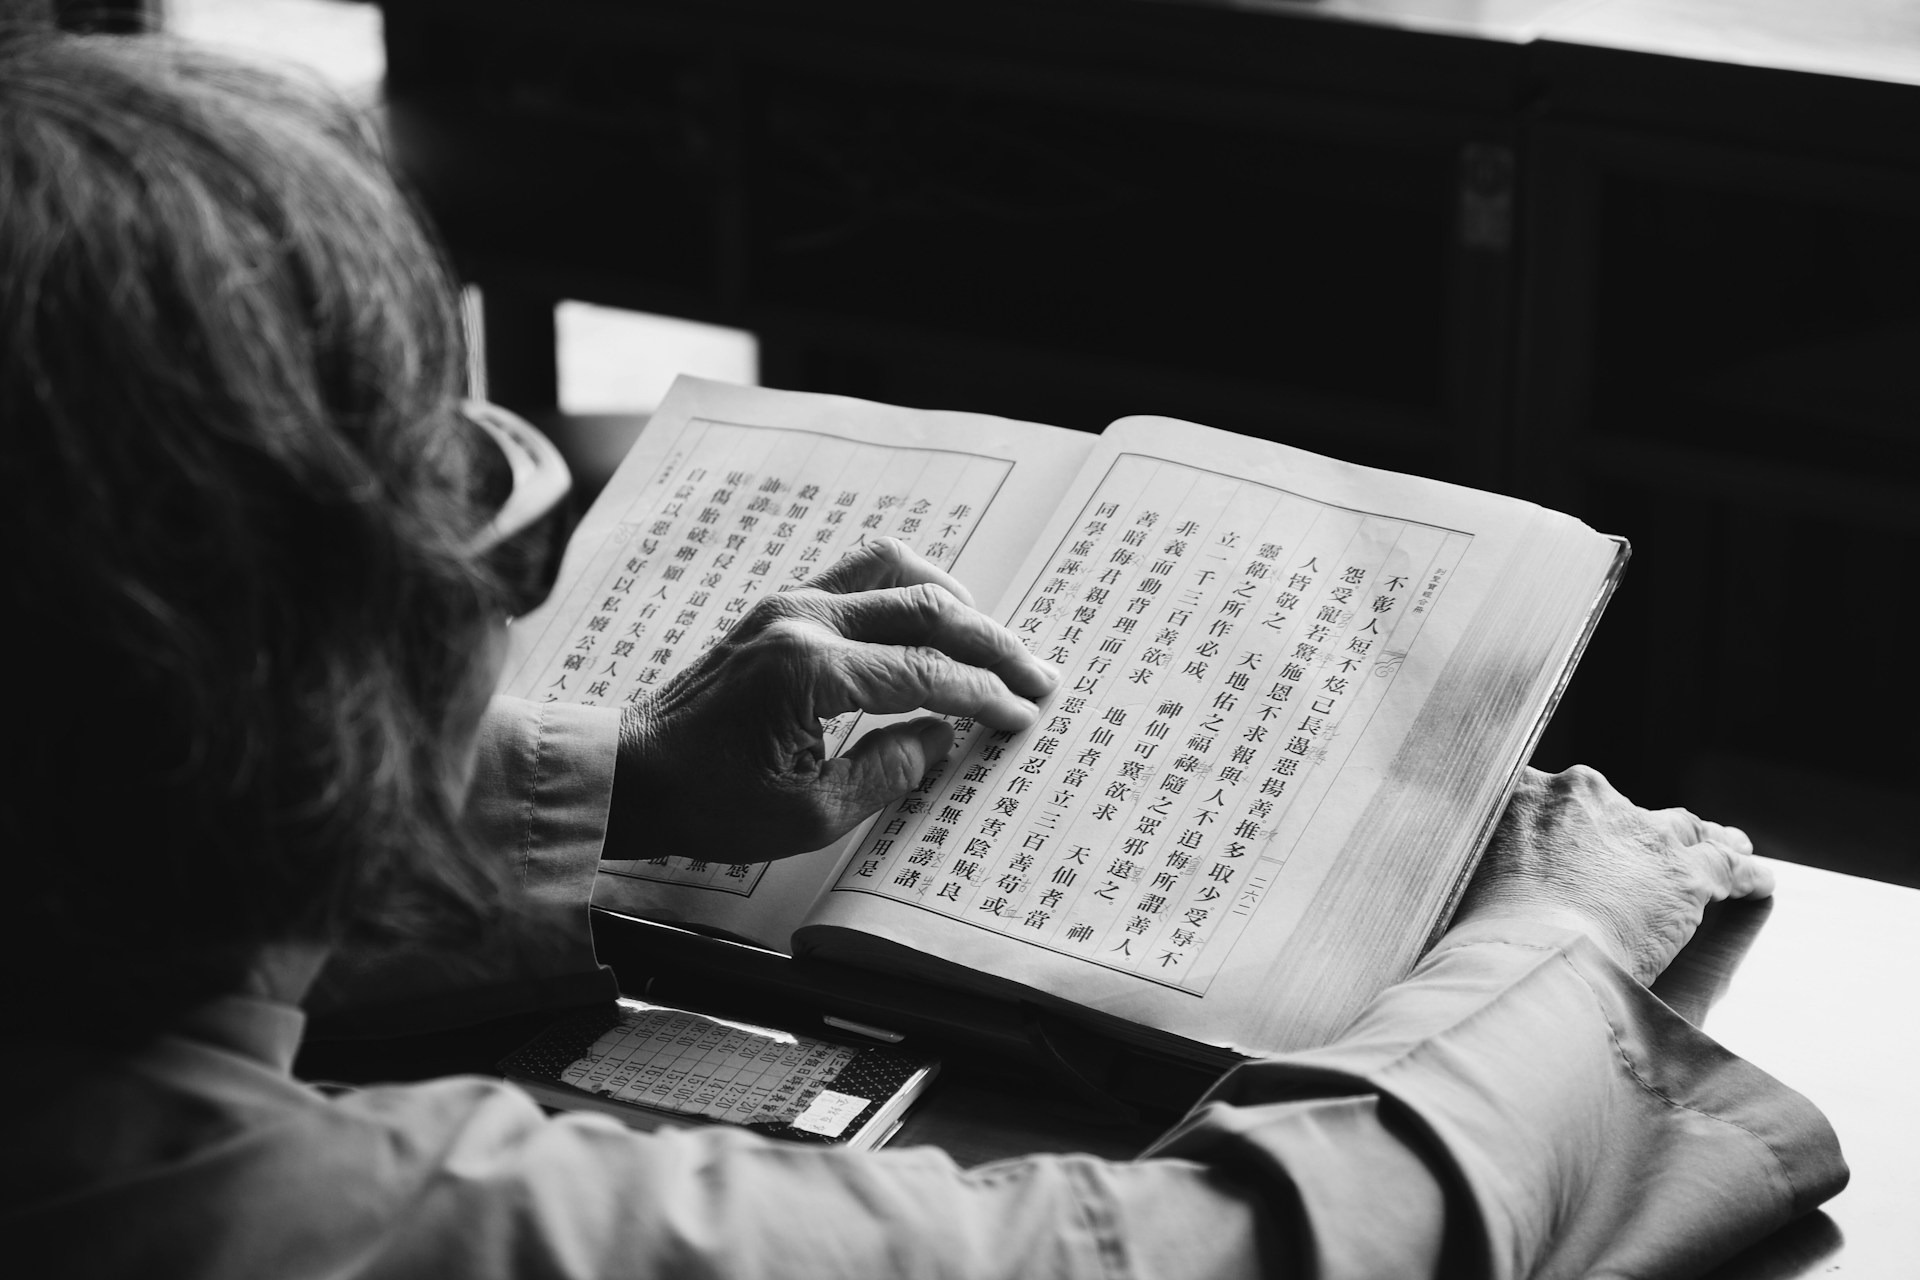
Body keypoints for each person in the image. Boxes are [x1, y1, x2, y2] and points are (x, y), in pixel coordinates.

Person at [0, 25, 1844, 1280]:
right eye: (452, 503)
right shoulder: (280, 1216)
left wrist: (626, 775)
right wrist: (1559, 948)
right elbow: (1203, 1256)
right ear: (295, 652)